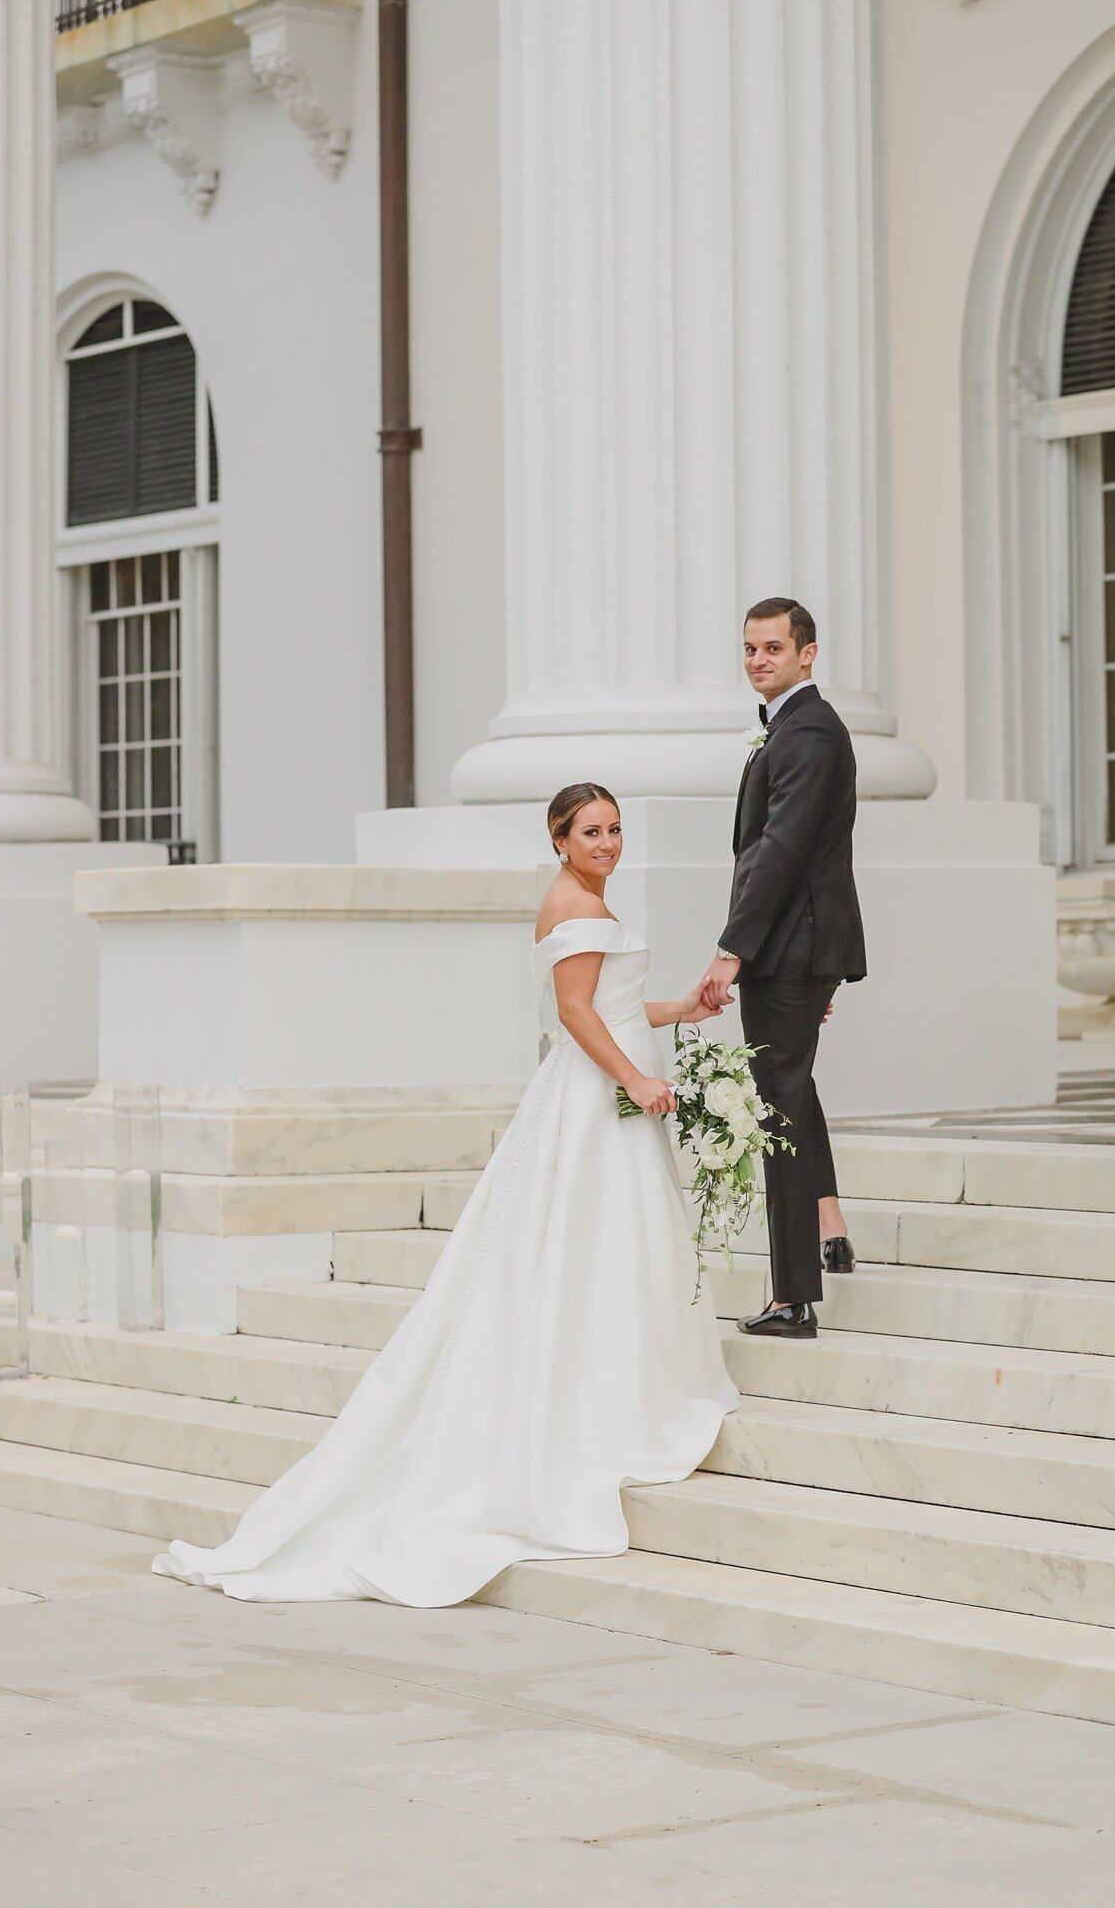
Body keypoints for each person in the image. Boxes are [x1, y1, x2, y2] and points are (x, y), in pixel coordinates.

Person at [153, 785, 738, 1606]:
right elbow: (575, 1013)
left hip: (604, 1093)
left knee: (616, 1246)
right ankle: (590, 1403)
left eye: (614, 830)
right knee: (588, 1246)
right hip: (594, 1100)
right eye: (591, 832)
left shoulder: (588, 902)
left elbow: (615, 1003)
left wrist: (684, 1009)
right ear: (559, 840)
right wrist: (638, 1077)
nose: (607, 843)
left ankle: (623, 1381)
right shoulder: (573, 905)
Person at [698, 598, 866, 1342]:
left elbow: (781, 851)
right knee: (790, 1087)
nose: (758, 659)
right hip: (800, 943)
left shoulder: (807, 732)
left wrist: (734, 949)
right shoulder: (796, 728)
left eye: (773, 648)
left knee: (780, 1107)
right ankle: (829, 1224)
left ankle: (792, 1297)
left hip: (786, 944)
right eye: (750, 649)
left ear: (808, 653)